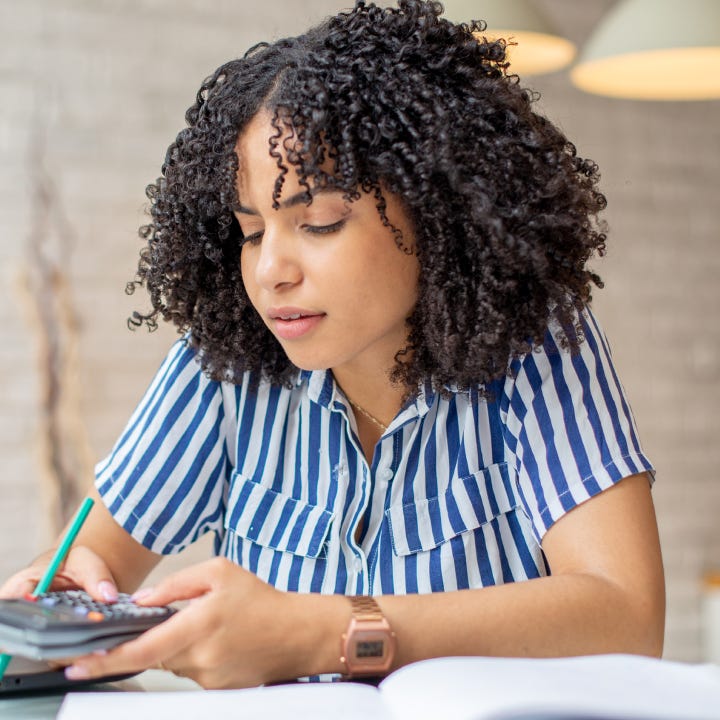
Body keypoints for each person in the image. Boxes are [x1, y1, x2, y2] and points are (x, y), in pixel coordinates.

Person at [1, 0, 664, 689]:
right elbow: (91, 567)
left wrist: (323, 632)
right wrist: (68, 597)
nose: (270, 272)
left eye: (318, 221)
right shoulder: (224, 370)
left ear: (439, 212)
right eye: (252, 232)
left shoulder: (536, 350)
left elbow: (625, 615)